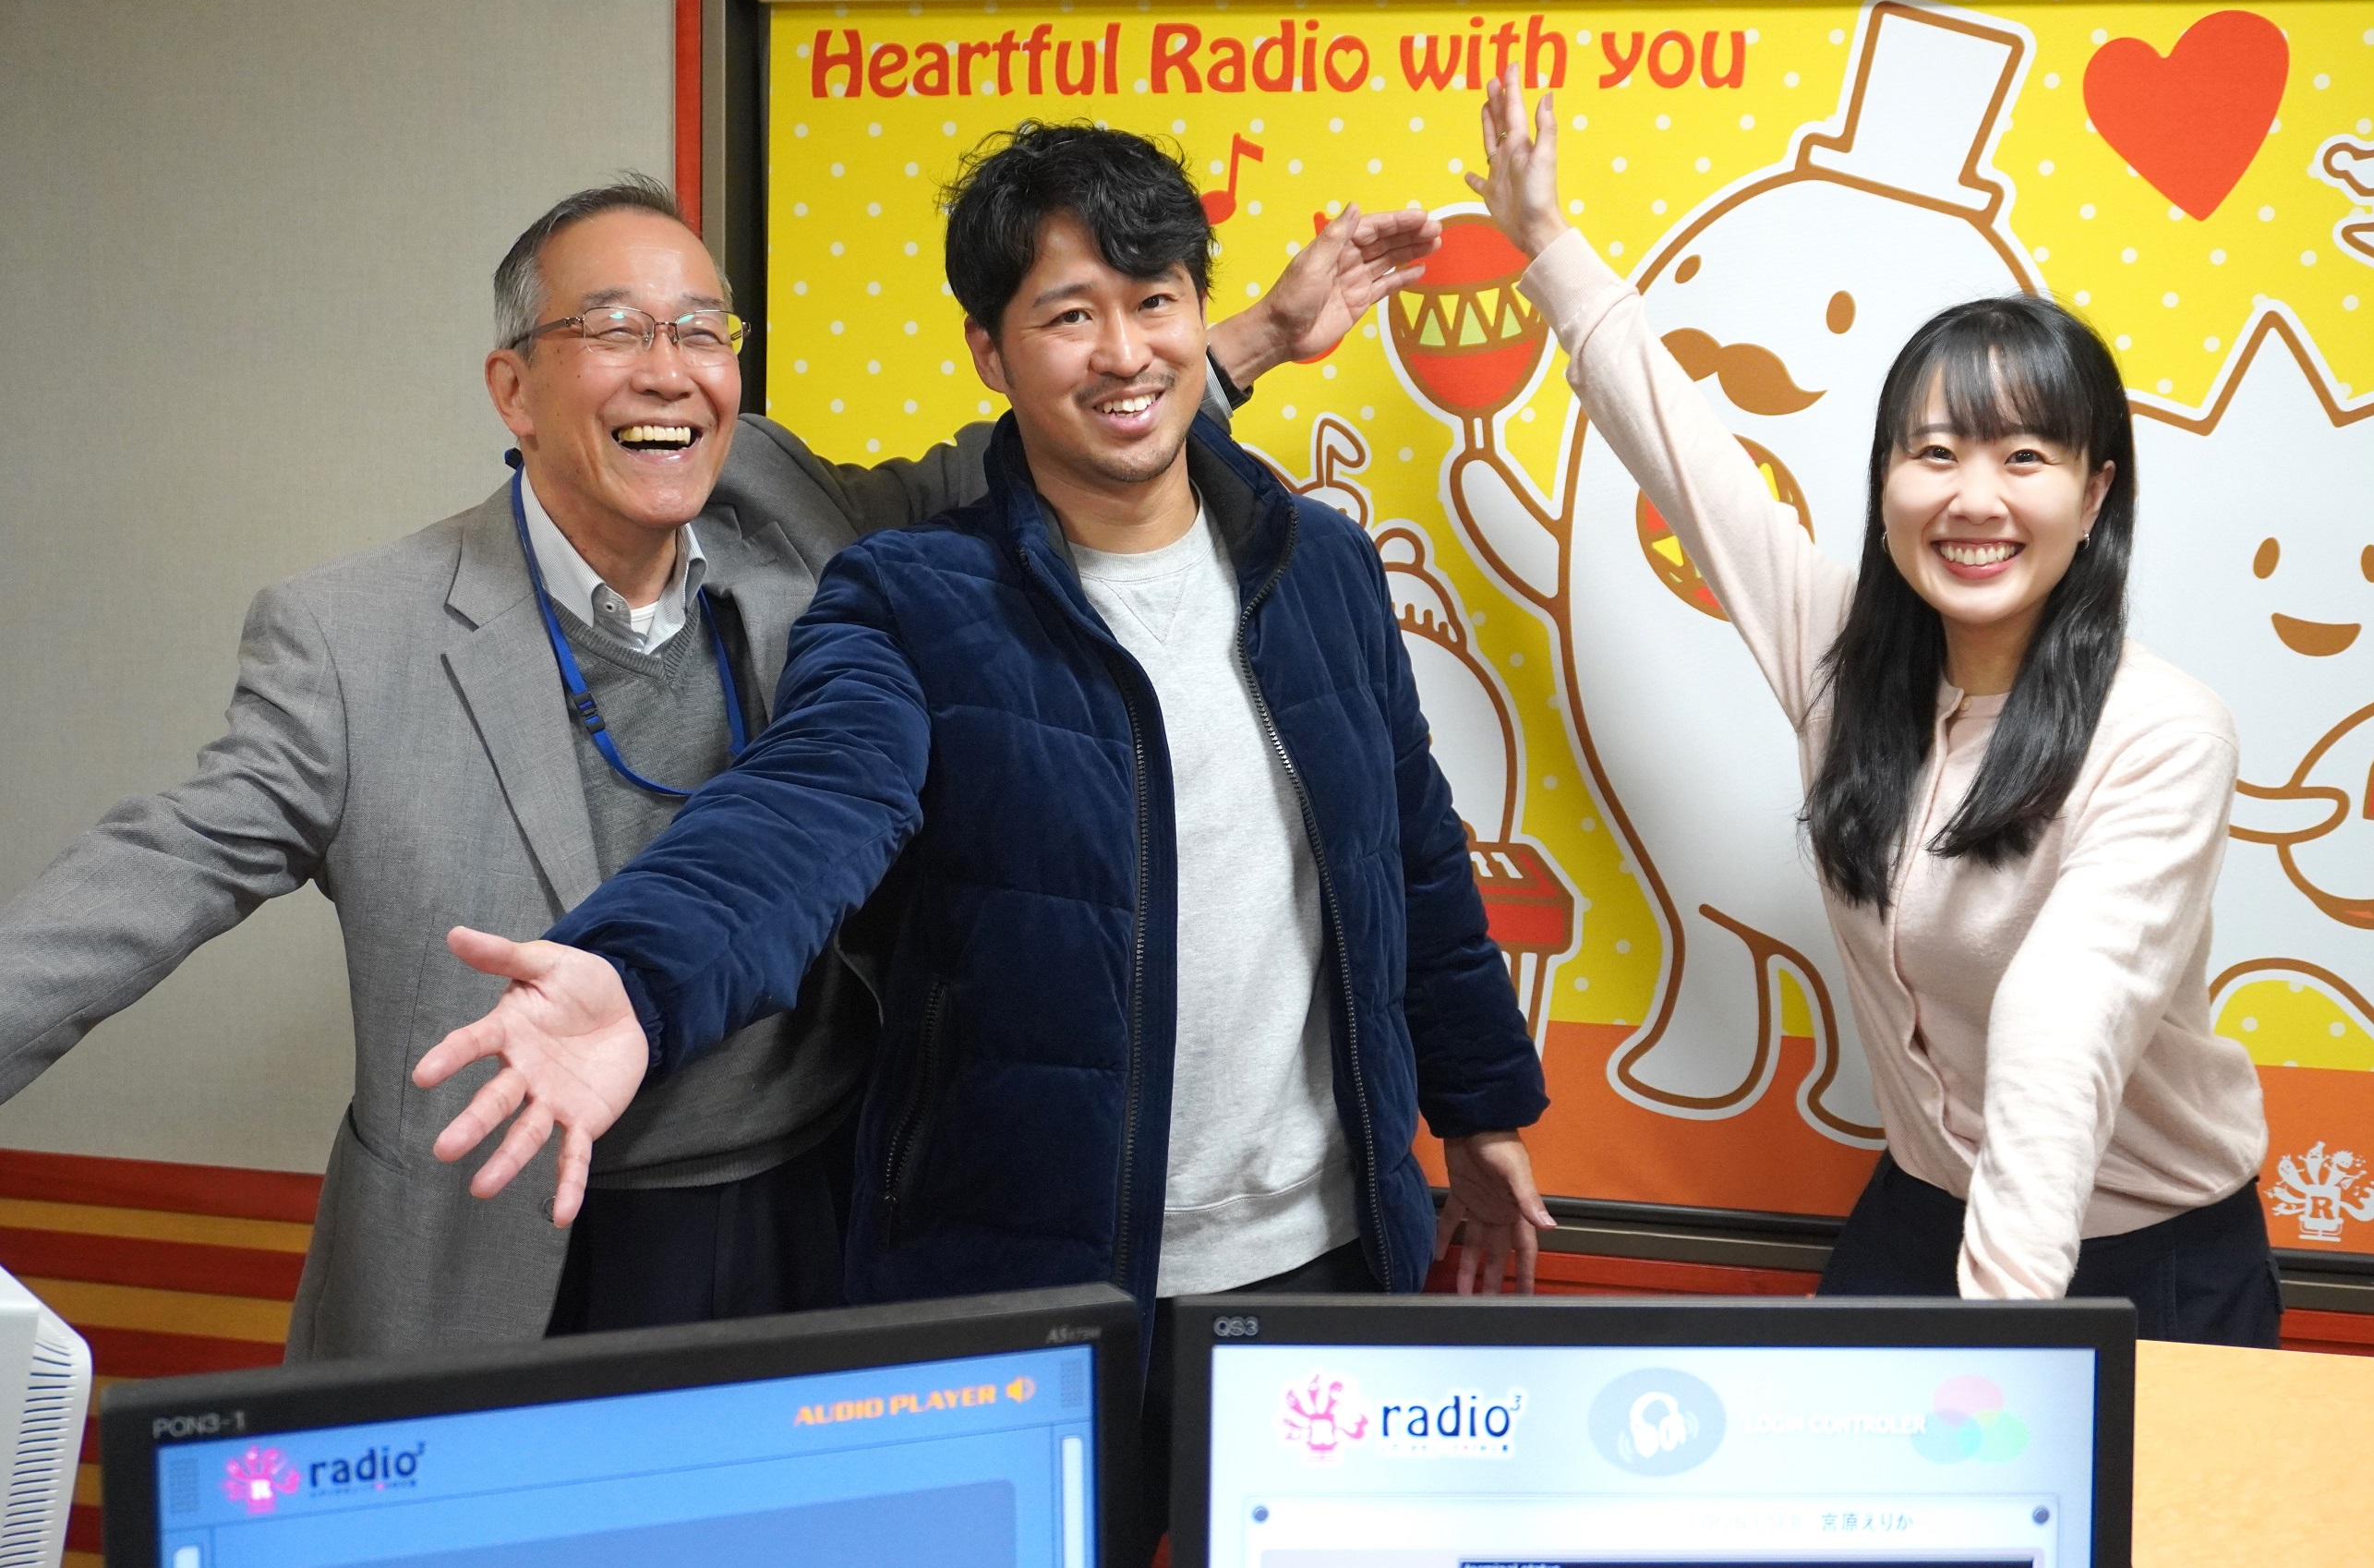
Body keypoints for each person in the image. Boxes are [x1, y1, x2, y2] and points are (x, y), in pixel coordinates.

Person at [0, 172, 1433, 1361]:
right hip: (516, 1246)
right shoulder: (352, 635)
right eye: (614, 329)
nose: (670, 368)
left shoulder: (801, 526)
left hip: (811, 1212)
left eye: (703, 328)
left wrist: (1256, 332)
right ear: (514, 387)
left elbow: (1043, 453)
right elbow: (158, 867)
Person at [1466, 68, 2275, 1343]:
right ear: (1887, 477)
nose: (1973, 497)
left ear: (2094, 495)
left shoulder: (2164, 734)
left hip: (2153, 1255)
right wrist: (1548, 246)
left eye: (2025, 457)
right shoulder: (1845, 660)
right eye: (1935, 452)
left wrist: (2000, 1339)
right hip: (1919, 1214)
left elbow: (2061, 1024)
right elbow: (1696, 473)